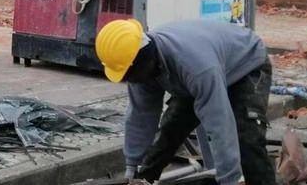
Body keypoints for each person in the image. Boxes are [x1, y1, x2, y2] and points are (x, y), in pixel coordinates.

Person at [95, 19, 274, 185]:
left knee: (248, 139)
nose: (131, 81)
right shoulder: (139, 67)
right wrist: (132, 169)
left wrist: (230, 179)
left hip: (246, 65)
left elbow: (219, 123)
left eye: (132, 76)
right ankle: (144, 180)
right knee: (169, 130)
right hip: (204, 71)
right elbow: (140, 118)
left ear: (144, 61)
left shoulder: (195, 67)